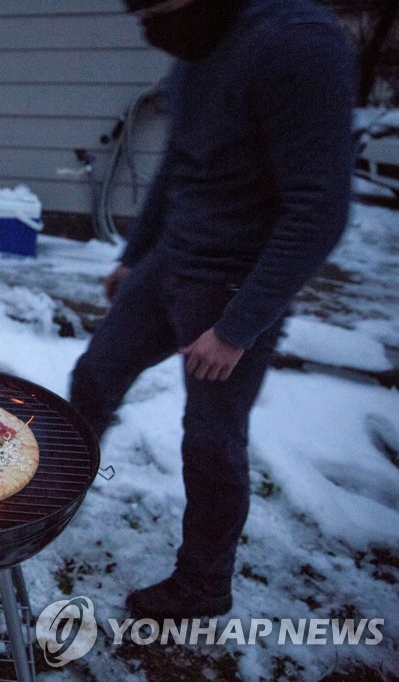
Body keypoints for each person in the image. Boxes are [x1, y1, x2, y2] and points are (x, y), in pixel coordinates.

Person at [69, 0, 356, 618]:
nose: (150, 24)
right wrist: (134, 254)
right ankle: (57, 491)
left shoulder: (299, 45)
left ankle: (203, 584)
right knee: (93, 375)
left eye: (160, 7)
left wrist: (236, 329)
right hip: (168, 261)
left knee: (210, 442)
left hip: (232, 285)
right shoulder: (199, 46)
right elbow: (176, 165)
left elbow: (319, 211)